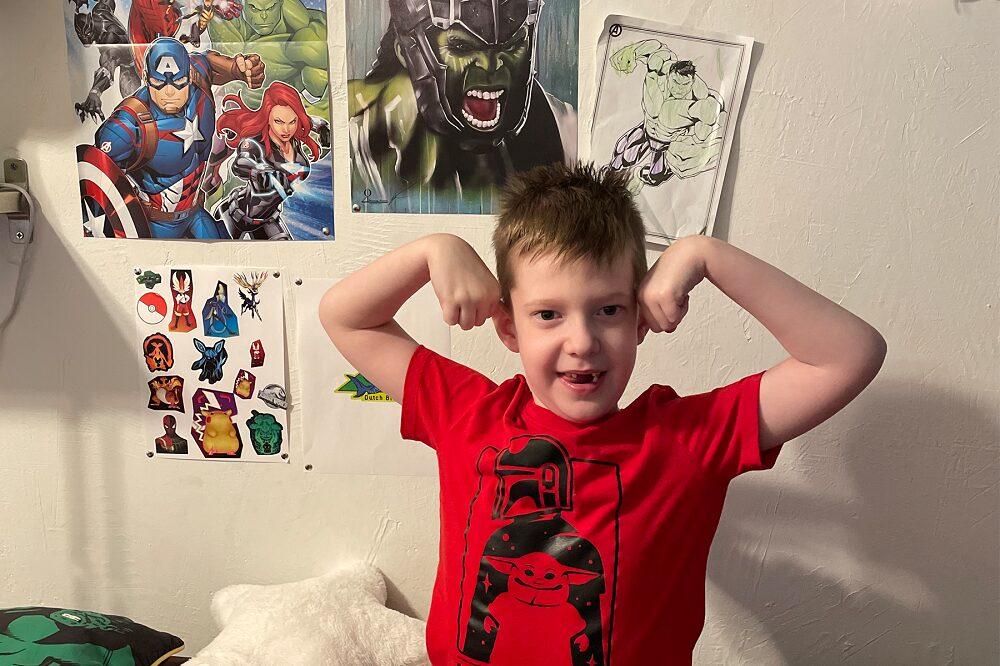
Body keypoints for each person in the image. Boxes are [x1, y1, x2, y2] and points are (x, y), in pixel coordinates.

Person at [318, 163, 886, 664]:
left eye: (608, 309)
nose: (583, 340)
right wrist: (432, 249)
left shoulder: (686, 440)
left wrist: (705, 255)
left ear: (641, 319)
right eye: (548, 314)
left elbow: (848, 355)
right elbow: (346, 317)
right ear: (508, 326)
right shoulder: (467, 414)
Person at [348, 0, 576, 202]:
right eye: (461, 47)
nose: (490, 66)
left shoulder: (563, 128)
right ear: (404, 52)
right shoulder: (356, 141)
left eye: (512, 45)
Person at [91, 37, 264, 239]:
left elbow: (208, 62)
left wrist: (238, 69)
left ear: (188, 75)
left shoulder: (197, 75)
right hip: (155, 226)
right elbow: (95, 185)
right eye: (158, 83)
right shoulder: (128, 125)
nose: (170, 92)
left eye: (179, 82)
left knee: (228, 259)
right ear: (147, 78)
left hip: (194, 213)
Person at [210, 81, 327, 240]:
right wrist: (258, 171)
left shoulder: (294, 143)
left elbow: (302, 118)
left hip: (267, 220)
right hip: (234, 215)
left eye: (292, 122)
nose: (286, 130)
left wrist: (321, 126)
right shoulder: (255, 144)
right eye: (278, 122)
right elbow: (240, 164)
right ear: (268, 117)